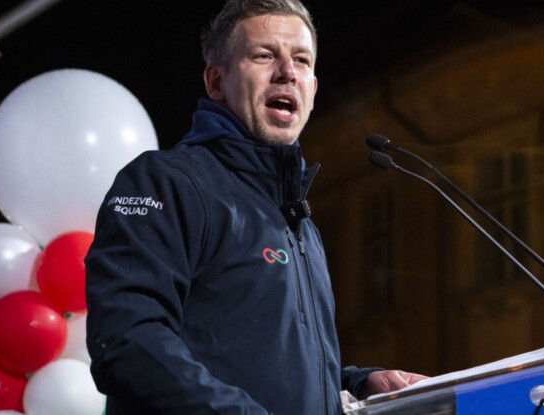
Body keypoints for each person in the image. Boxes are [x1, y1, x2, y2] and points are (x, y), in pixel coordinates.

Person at [85, 0, 427, 413]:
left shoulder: (299, 222)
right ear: (216, 82)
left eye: (301, 60)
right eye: (264, 55)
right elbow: (126, 342)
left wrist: (356, 385)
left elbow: (265, 369)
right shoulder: (165, 182)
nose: (287, 72)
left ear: (312, 88)